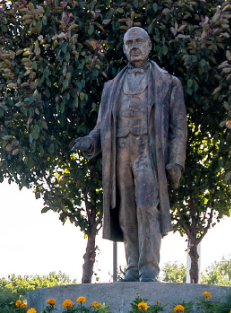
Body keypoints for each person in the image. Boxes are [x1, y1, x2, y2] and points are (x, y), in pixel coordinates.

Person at [71, 27, 187, 282]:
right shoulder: (110, 88)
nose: (134, 46)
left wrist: (176, 161)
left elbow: (178, 127)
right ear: (124, 48)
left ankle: (149, 267)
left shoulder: (168, 83)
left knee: (147, 206)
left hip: (149, 151)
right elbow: (101, 127)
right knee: (125, 211)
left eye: (139, 41)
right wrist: (90, 142)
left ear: (149, 45)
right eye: (129, 42)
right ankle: (132, 266)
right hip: (119, 153)